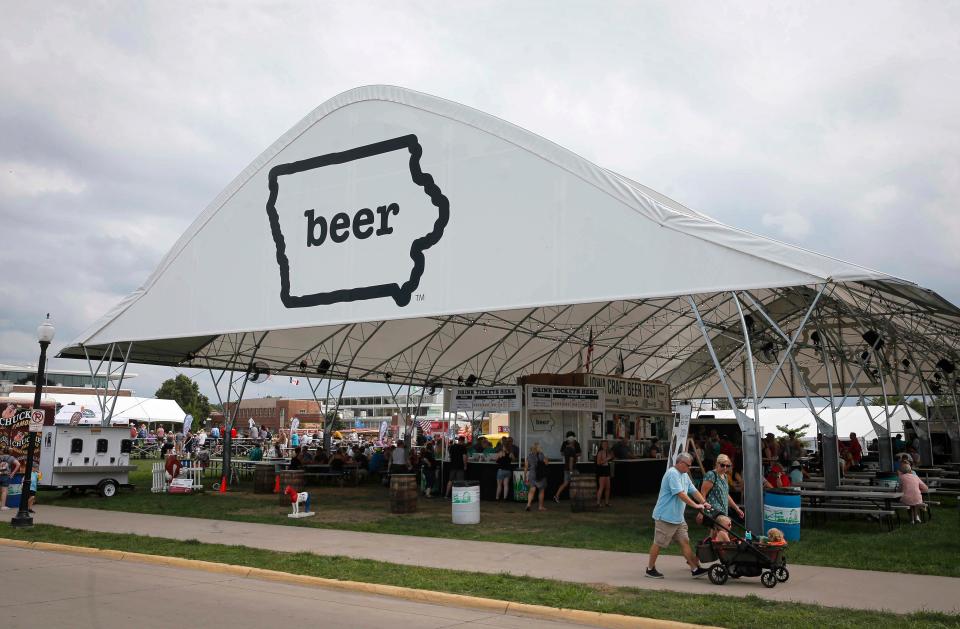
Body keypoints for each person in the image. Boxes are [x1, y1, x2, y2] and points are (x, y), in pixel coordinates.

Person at [645, 452, 709, 579]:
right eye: (687, 465)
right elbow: (680, 494)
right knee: (659, 543)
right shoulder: (672, 473)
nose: (689, 468)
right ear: (680, 463)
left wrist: (704, 502)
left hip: (678, 518)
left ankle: (695, 569)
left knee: (685, 542)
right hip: (665, 517)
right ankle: (650, 569)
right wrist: (695, 506)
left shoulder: (684, 475)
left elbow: (693, 490)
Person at [698, 454, 744, 523]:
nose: (725, 468)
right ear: (717, 464)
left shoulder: (725, 476)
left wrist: (737, 509)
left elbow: (726, 494)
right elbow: (703, 494)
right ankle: (748, 534)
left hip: (723, 510)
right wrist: (701, 511)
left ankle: (748, 534)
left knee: (717, 532)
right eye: (722, 465)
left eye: (727, 466)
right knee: (724, 529)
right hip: (713, 511)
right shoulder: (711, 475)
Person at [553, 432, 580, 503]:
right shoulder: (571, 450)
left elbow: (574, 455)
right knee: (575, 483)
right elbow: (571, 460)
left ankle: (556, 496)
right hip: (572, 468)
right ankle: (574, 499)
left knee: (566, 483)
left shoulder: (567, 448)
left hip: (567, 468)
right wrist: (571, 471)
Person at [525, 442, 549, 512]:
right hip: (540, 474)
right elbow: (546, 463)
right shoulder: (541, 455)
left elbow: (526, 467)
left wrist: (525, 477)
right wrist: (546, 458)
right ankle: (540, 507)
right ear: (538, 448)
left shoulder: (529, 456)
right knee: (541, 490)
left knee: (532, 490)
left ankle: (528, 504)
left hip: (532, 474)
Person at [0, 446, 22, 511]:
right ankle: (2, 506)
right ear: (10, 452)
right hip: (6, 476)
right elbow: (18, 464)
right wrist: (13, 473)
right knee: (4, 491)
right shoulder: (11, 457)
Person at [595, 439, 613, 507]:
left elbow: (612, 458)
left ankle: (607, 502)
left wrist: (610, 457)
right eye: (604, 444)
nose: (605, 445)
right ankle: (598, 503)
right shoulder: (600, 452)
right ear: (602, 445)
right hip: (602, 470)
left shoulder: (608, 452)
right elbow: (598, 463)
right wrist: (607, 459)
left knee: (608, 487)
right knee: (601, 487)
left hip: (607, 470)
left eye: (606, 444)